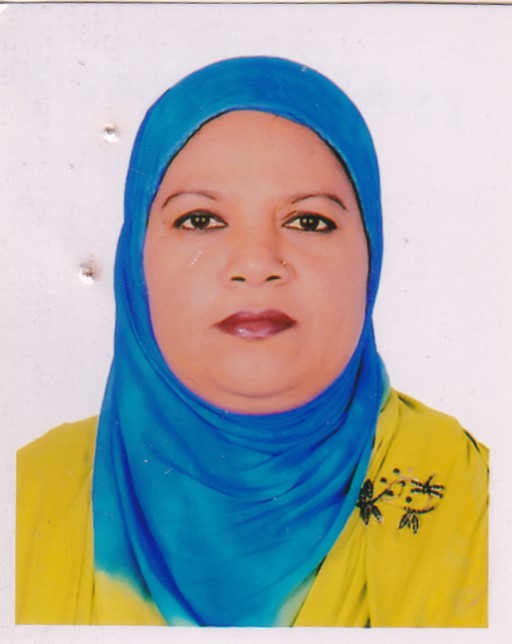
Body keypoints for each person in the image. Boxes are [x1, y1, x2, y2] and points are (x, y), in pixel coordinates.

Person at [16, 56, 488, 627]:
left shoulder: (472, 496)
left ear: (371, 256)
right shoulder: (28, 496)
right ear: (136, 263)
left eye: (308, 221)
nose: (257, 263)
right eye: (200, 220)